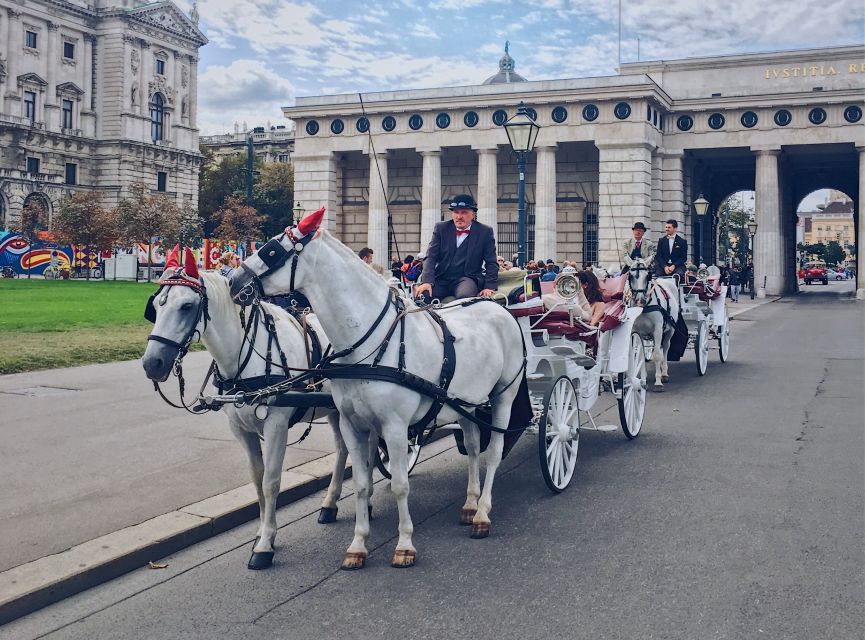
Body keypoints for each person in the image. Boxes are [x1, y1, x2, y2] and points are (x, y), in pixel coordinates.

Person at [415, 194, 498, 301]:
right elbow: (430, 257)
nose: (459, 216)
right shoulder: (441, 228)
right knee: (422, 295)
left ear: (473, 214)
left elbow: (491, 262)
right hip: (442, 278)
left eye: (464, 212)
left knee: (464, 298)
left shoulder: (485, 231)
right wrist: (427, 281)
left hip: (467, 279)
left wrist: (489, 287)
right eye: (456, 212)